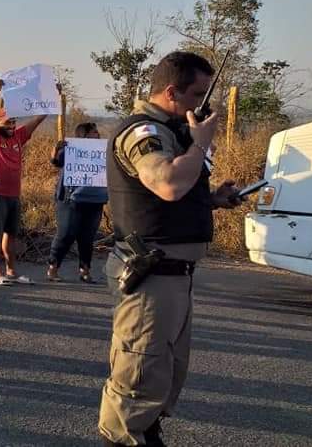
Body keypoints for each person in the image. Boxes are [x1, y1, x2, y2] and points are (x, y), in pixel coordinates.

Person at [98, 51, 243, 447]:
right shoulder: (142, 133)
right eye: (197, 95)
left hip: (174, 277)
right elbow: (166, 184)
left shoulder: (171, 131)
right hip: (152, 277)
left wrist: (212, 199)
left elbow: (171, 199)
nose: (203, 105)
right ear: (170, 92)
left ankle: (145, 431)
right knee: (138, 377)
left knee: (163, 372)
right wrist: (199, 145)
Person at [0, 77, 48, 286]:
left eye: (13, 122)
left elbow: (38, 120)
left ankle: (11, 271)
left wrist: (50, 97)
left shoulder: (18, 136)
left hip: (13, 194)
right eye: (7, 123)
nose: (11, 126)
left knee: (11, 234)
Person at [46, 122, 108, 283]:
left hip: (95, 200)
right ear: (84, 136)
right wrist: (56, 150)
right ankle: (53, 267)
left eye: (97, 132)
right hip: (70, 200)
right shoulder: (72, 150)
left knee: (87, 238)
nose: (98, 134)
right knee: (66, 234)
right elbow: (56, 162)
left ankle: (85, 271)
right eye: (94, 132)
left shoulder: (103, 151)